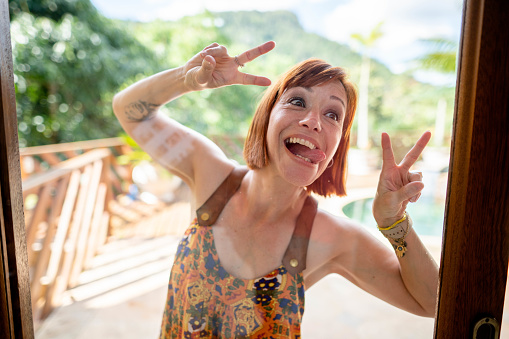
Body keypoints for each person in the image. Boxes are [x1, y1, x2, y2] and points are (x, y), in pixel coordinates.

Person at [112, 41, 439, 338]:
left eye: (332, 114)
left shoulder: (332, 237)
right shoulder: (210, 174)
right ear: (267, 116)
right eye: (298, 101)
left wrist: (393, 222)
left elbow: (432, 304)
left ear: (336, 147)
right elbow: (128, 110)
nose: (313, 121)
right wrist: (186, 79)